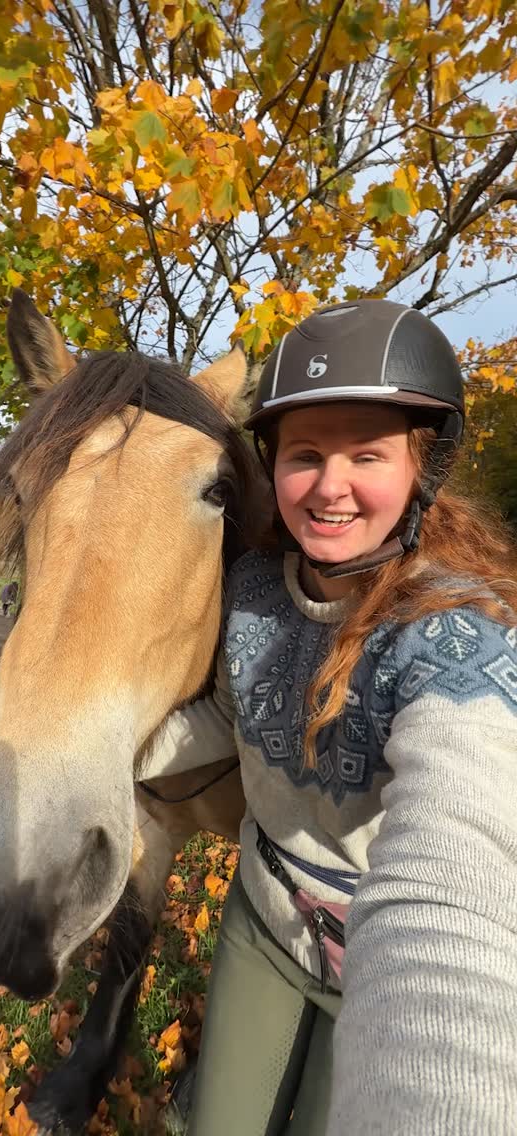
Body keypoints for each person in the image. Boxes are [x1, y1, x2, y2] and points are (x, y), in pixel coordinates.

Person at [140, 299, 517, 1135]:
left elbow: (462, 842)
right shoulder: (254, 591)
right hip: (266, 916)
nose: (330, 484)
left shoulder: (456, 631)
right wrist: (105, 758)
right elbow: (227, 726)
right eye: (305, 454)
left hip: (389, 959)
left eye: (368, 454)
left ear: (423, 468)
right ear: (272, 469)